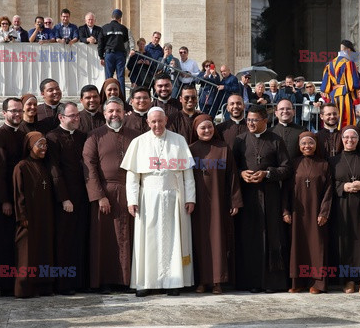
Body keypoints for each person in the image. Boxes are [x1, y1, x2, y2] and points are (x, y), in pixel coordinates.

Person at [120, 107, 196, 297]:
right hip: (148, 198)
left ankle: (174, 282)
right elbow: (132, 176)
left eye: (160, 121)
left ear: (166, 120)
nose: (157, 125)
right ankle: (146, 283)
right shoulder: (139, 142)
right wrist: (132, 200)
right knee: (148, 240)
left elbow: (188, 175)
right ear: (148, 122)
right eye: (153, 122)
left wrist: (190, 198)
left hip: (173, 197)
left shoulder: (179, 141)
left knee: (173, 240)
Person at [83, 96, 139, 293]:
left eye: (118, 111)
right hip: (105, 193)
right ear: (104, 113)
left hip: (131, 193)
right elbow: (89, 167)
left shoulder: (136, 136)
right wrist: (99, 196)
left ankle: (128, 281)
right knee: (105, 239)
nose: (114, 114)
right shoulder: (94, 136)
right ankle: (105, 280)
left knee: (131, 237)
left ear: (124, 112)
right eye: (110, 111)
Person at [232, 105, 291, 293]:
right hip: (248, 197)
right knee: (250, 238)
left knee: (271, 237)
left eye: (254, 120)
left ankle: (271, 283)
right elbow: (233, 169)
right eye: (248, 120)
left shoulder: (276, 140)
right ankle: (251, 282)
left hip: (270, 196)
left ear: (265, 121)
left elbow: (287, 168)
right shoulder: (240, 140)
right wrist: (242, 174)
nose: (250, 123)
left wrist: (267, 173)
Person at [189, 114, 243, 294]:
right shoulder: (190, 150)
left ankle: (218, 281)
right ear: (196, 130)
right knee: (199, 240)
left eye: (210, 127)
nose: (207, 131)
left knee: (218, 241)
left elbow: (233, 176)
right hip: (197, 204)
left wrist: (235, 200)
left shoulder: (223, 148)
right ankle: (202, 281)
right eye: (203, 128)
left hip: (219, 201)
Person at [328, 125, 360, 294]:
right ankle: (348, 279)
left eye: (353, 138)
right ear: (341, 140)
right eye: (346, 138)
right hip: (342, 207)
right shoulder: (333, 161)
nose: (349, 140)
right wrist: (343, 186)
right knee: (346, 244)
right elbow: (328, 185)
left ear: (359, 140)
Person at [46, 103, 89, 295]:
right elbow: (55, 171)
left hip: (82, 196)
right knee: (64, 241)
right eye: (72, 116)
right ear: (61, 117)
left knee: (81, 239)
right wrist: (64, 198)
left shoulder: (82, 136)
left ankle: (80, 281)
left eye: (77, 115)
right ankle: (64, 284)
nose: (76, 118)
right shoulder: (52, 137)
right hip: (65, 198)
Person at [282, 132, 332, 294]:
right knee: (298, 246)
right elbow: (286, 191)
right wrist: (285, 210)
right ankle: (298, 281)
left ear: (316, 145)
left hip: (316, 213)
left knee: (317, 247)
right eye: (303, 143)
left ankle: (317, 283)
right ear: (299, 146)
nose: (307, 146)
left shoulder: (324, 164)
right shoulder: (293, 164)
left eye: (310, 143)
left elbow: (328, 191)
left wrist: (324, 212)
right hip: (298, 214)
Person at [0, 97, 25, 297]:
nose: (17, 114)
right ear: (4, 113)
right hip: (6, 201)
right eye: (13, 111)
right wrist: (5, 201)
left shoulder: (23, 134)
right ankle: (4, 284)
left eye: (20, 111)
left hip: (21, 199)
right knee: (4, 243)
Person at [13, 132, 54, 298]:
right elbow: (18, 194)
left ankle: (44, 287)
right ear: (31, 146)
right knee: (27, 254)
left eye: (45, 145)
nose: (44, 148)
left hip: (45, 216)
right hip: (29, 218)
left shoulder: (45, 166)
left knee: (43, 251)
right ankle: (24, 289)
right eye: (40, 145)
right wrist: (22, 216)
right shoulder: (21, 166)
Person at [320, 40, 360, 129]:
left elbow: (325, 85)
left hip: (333, 95)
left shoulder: (330, 64)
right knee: (346, 121)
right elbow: (355, 84)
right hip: (345, 95)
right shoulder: (348, 63)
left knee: (333, 120)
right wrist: (356, 73)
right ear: (347, 50)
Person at [98, 9, 129, 97]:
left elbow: (100, 44)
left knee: (108, 78)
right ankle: (122, 98)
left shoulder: (104, 28)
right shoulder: (123, 28)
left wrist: (101, 57)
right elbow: (126, 43)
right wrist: (125, 55)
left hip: (109, 54)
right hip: (120, 55)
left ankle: (108, 98)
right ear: (120, 18)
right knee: (121, 78)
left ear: (111, 17)